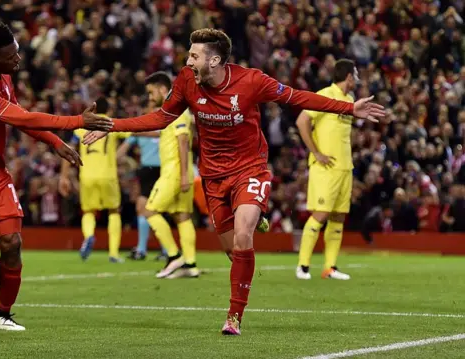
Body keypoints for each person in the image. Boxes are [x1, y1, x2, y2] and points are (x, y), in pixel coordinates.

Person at [82, 28, 385, 335]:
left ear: (214, 61)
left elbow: (296, 97)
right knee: (233, 252)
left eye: (194, 56)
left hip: (249, 169)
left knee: (243, 237)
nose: (187, 61)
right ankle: (253, 220)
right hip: (214, 177)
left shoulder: (251, 81)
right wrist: (113, 125)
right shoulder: (187, 81)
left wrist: (350, 107)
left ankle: (234, 315)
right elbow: (161, 118)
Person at [0, 22, 112, 331]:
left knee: (12, 242)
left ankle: (3, 314)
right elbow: (21, 116)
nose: (19, 59)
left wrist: (55, 143)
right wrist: (74, 121)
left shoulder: (2, 77)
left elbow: (19, 118)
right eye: (12, 55)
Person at [295, 59, 359, 281]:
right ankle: (302, 266)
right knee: (319, 215)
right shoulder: (324, 95)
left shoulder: (350, 100)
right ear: (349, 77)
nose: (357, 79)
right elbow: (302, 120)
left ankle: (330, 268)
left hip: (344, 167)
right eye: (355, 75)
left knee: (338, 217)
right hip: (325, 168)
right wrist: (316, 152)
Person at [134, 71, 198, 278]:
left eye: (152, 93)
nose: (150, 98)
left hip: (174, 170)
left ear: (163, 89)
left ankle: (173, 256)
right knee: (182, 217)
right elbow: (162, 132)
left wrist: (183, 176)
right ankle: (190, 264)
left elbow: (182, 140)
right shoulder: (172, 111)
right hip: (181, 170)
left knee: (148, 210)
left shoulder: (177, 110)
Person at [58, 97, 131, 263]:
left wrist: (63, 176)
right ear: (109, 110)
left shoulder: (81, 128)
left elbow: (69, 149)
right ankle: (113, 253)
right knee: (113, 211)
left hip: (87, 176)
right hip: (108, 175)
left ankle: (89, 236)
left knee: (89, 211)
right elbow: (131, 131)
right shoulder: (110, 123)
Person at [117, 124, 162, 261]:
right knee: (159, 210)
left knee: (142, 209)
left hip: (148, 170)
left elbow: (120, 154)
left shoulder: (141, 129)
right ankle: (165, 251)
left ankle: (143, 250)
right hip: (165, 169)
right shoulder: (167, 126)